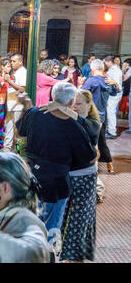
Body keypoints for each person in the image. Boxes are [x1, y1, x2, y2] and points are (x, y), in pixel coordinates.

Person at [16, 82, 97, 257]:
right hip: (57, 182)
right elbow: (88, 156)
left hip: (30, 175)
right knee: (51, 228)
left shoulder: (35, 113)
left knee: (30, 221)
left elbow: (20, 132)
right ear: (70, 102)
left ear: (53, 97)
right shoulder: (73, 126)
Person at [39, 89, 101, 262]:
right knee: (63, 217)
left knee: (79, 219)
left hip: (84, 177)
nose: (75, 107)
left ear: (90, 105)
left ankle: (75, 258)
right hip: (66, 175)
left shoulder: (91, 122)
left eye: (79, 104)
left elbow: (93, 133)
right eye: (74, 104)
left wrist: (62, 108)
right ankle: (63, 255)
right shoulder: (69, 120)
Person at [82, 59, 118, 173]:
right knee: (101, 140)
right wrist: (116, 84)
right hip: (103, 115)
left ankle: (93, 168)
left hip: (91, 115)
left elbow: (81, 95)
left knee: (92, 141)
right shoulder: (108, 81)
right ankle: (109, 165)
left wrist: (79, 84)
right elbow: (114, 93)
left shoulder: (91, 81)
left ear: (92, 70)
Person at [3, 53, 27, 151]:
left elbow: (22, 89)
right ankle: (7, 147)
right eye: (11, 61)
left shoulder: (23, 72)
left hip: (18, 105)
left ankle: (19, 150)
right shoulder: (15, 72)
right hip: (11, 103)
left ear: (20, 62)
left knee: (18, 129)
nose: (12, 63)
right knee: (8, 126)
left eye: (14, 61)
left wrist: (9, 81)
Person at [104, 55, 123, 139]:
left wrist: (108, 81)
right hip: (112, 93)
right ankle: (109, 129)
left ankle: (112, 132)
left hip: (115, 94)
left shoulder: (116, 71)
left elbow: (117, 84)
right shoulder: (111, 69)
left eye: (105, 62)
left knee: (110, 111)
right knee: (109, 111)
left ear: (109, 62)